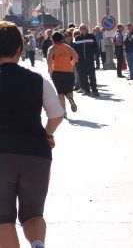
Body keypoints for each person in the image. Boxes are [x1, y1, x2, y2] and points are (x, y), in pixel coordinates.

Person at [0, 21, 64, 248]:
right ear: (19, 49)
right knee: (34, 214)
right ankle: (37, 243)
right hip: (36, 154)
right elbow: (56, 114)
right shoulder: (38, 80)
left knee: (3, 220)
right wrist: (47, 134)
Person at [47, 31, 79, 119]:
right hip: (69, 72)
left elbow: (49, 59)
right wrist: (72, 63)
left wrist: (50, 69)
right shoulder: (67, 47)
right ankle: (70, 99)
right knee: (69, 90)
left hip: (57, 72)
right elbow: (76, 56)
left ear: (53, 40)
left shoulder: (52, 48)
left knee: (60, 93)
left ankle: (64, 112)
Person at [74, 24, 100, 97]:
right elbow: (75, 50)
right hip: (81, 61)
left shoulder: (91, 36)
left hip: (89, 60)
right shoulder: (77, 39)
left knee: (92, 76)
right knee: (83, 76)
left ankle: (94, 90)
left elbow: (96, 47)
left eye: (84, 28)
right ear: (80, 30)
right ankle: (87, 90)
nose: (83, 29)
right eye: (81, 28)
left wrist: (93, 55)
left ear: (87, 29)